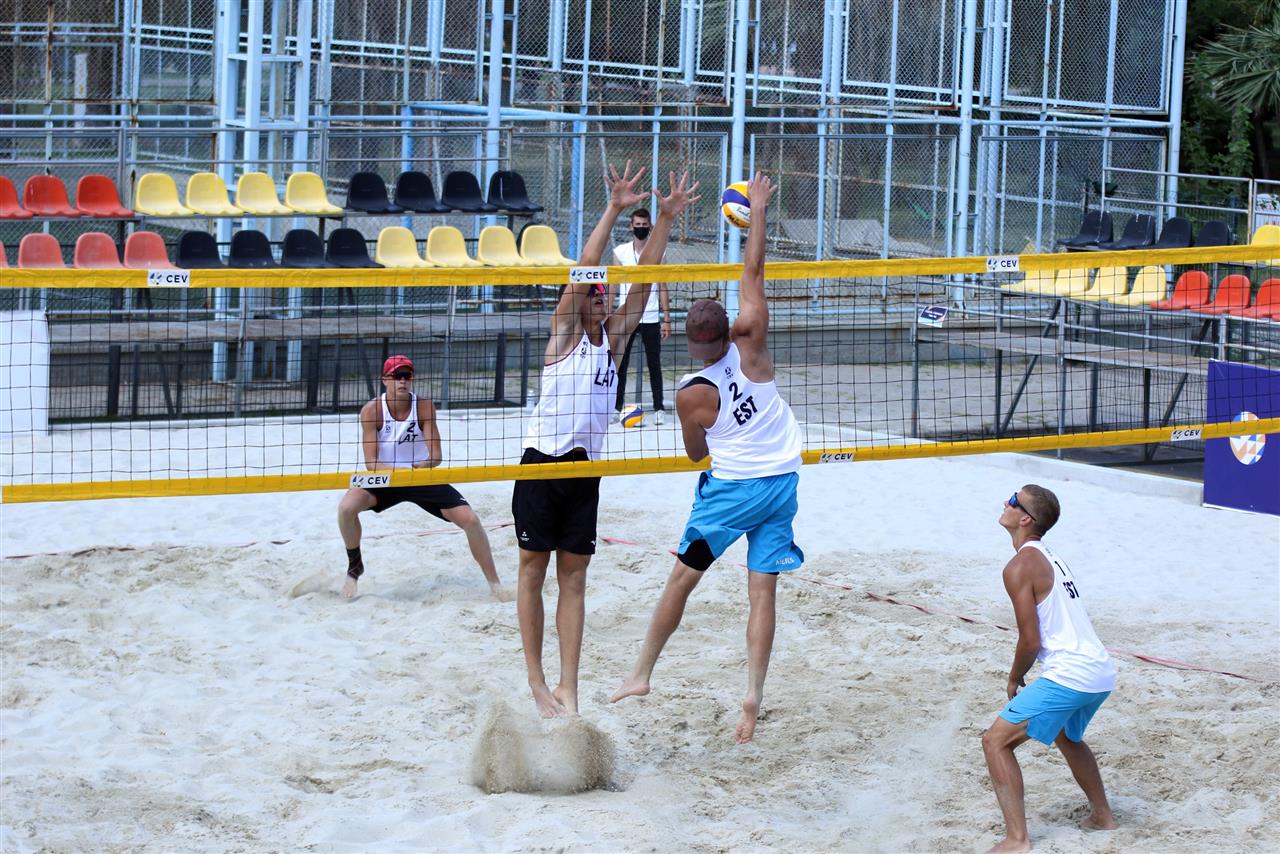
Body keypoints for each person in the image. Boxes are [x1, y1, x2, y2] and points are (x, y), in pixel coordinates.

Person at [610, 172, 803, 744]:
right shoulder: (753, 339)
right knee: (762, 592)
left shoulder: (691, 393)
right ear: (727, 331)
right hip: (782, 482)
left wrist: (714, 430)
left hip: (733, 491)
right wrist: (758, 210)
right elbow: (754, 270)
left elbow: (698, 455)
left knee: (680, 580)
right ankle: (753, 694)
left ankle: (641, 673)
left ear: (692, 342)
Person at [513, 163, 700, 718]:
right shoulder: (565, 334)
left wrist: (664, 219)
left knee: (574, 579)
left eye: (603, 293)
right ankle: (536, 680)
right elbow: (585, 269)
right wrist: (614, 209)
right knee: (532, 572)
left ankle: (568, 687)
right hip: (542, 463)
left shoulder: (613, 340)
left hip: (584, 470)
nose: (599, 295)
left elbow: (643, 281)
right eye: (593, 291)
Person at [981, 484, 1118, 853]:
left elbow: (1030, 640)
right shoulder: (1051, 556)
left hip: (1072, 674)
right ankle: (1102, 816)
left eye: (1013, 501)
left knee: (995, 742)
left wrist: (1014, 677)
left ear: (1026, 519)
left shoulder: (1020, 566)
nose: (1005, 502)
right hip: (1099, 671)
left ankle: (1017, 840)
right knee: (1067, 736)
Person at [337, 355, 511, 602]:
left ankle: (495, 584)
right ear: (385, 380)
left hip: (419, 476)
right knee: (346, 509)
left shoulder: (424, 407)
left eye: (407, 376)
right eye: (397, 376)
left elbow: (436, 456)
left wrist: (419, 467)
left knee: (471, 520)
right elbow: (371, 463)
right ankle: (355, 566)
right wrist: (399, 473)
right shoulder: (372, 411)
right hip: (386, 478)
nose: (402, 381)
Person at [608, 207, 671, 425]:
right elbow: (613, 286)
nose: (641, 228)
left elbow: (663, 286)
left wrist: (667, 319)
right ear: (631, 226)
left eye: (644, 225)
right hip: (626, 316)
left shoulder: (659, 253)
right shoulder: (620, 252)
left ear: (650, 227)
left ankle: (659, 408)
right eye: (638, 225)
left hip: (651, 316)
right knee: (620, 363)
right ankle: (615, 406)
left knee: (654, 364)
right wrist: (609, 315)